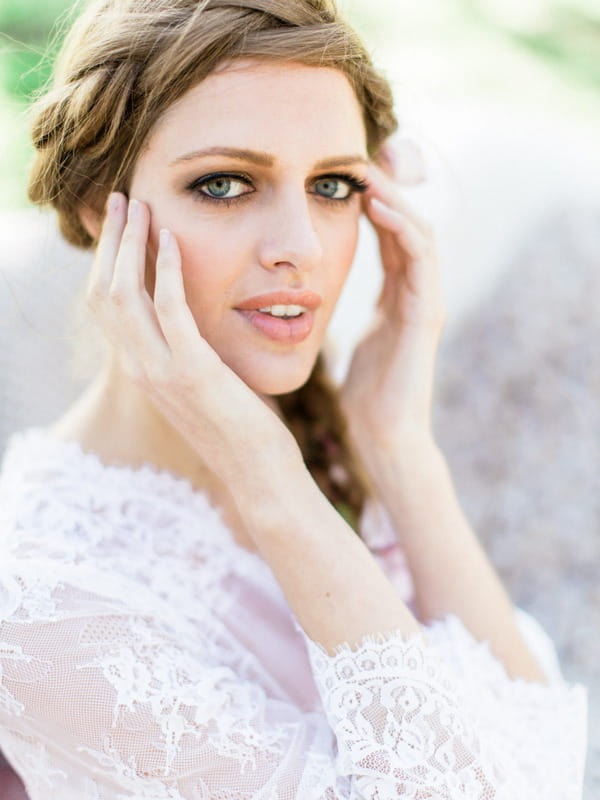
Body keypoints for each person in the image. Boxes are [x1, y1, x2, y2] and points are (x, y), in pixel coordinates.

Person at [0, 1, 588, 798]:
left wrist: (398, 449)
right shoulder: (37, 606)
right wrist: (269, 475)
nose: (301, 248)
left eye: (333, 185)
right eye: (224, 184)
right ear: (103, 211)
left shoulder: (340, 456)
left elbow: (545, 768)